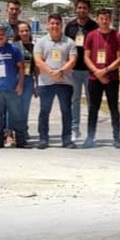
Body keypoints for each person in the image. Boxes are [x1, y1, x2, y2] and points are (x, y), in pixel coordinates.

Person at [34, 13, 78, 149]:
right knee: (44, 111)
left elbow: (72, 60)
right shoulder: (41, 42)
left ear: (61, 25)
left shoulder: (69, 42)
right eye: (52, 23)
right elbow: (38, 60)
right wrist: (51, 72)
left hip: (64, 82)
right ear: (47, 25)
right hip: (46, 82)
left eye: (57, 23)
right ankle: (43, 139)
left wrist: (61, 72)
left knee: (66, 111)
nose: (54, 26)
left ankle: (67, 139)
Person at [82, 8, 120, 148]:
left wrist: (105, 70)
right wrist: (97, 72)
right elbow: (86, 57)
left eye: (107, 19)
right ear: (98, 19)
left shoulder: (117, 36)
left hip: (112, 78)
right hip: (94, 79)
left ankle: (117, 138)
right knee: (93, 109)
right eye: (101, 19)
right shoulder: (91, 35)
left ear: (110, 19)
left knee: (114, 108)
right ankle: (90, 137)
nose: (104, 21)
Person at [64, 0, 98, 143]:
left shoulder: (94, 26)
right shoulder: (70, 26)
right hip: (74, 70)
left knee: (92, 102)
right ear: (76, 9)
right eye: (79, 8)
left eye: (84, 8)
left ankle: (91, 132)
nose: (82, 10)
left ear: (88, 10)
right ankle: (75, 129)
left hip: (90, 70)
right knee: (75, 100)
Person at [10, 21, 37, 147]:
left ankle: (23, 131)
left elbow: (36, 67)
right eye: (22, 31)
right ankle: (10, 132)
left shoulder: (34, 47)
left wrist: (36, 83)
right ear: (18, 33)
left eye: (27, 30)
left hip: (29, 79)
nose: (25, 33)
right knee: (14, 107)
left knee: (25, 108)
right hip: (15, 80)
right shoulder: (14, 47)